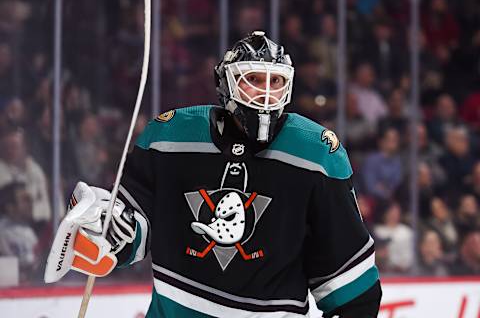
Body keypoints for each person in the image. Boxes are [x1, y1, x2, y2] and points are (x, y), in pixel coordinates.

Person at [45, 32, 382, 318]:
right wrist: (107, 229)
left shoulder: (317, 154)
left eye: (275, 81)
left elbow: (350, 285)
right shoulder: (169, 138)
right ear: (227, 83)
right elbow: (133, 231)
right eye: (253, 80)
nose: (265, 92)